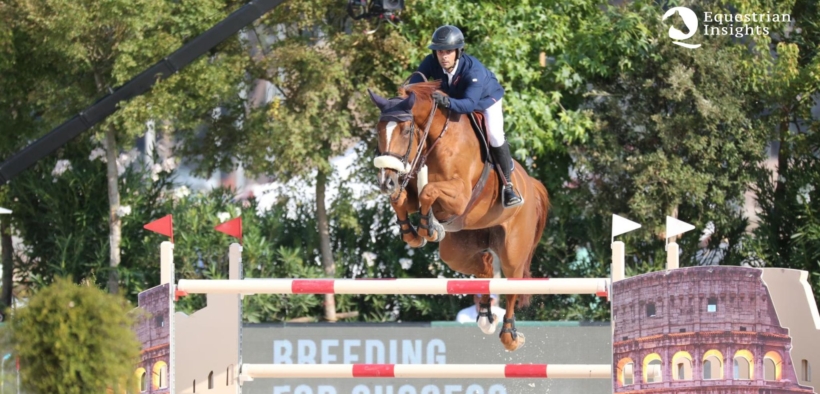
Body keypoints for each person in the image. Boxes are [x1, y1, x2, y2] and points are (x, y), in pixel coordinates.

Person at [408, 25, 523, 208]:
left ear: (458, 52)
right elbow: (413, 86)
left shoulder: (473, 71)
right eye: (440, 52)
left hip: (485, 100)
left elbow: (468, 105)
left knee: (495, 135)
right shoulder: (431, 62)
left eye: (448, 52)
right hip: (454, 98)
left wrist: (446, 101)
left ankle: (508, 186)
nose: (443, 57)